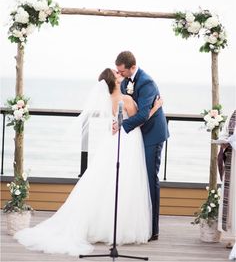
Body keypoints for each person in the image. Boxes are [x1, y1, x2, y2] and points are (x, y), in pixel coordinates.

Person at [14, 68, 162, 257]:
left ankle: (105, 225)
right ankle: (119, 227)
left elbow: (116, 123)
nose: (119, 74)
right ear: (115, 81)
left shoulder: (110, 100)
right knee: (126, 182)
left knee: (109, 183)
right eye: (116, 74)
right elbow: (139, 120)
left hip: (116, 141)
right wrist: (156, 107)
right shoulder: (124, 99)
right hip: (129, 142)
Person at [114, 51, 169, 241]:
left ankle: (153, 229)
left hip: (153, 134)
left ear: (132, 67)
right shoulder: (127, 81)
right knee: (139, 179)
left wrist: (121, 126)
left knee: (150, 179)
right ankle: (140, 223)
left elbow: (144, 114)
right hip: (139, 134)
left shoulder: (147, 82)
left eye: (123, 72)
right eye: (118, 72)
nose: (121, 75)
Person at [216, 109, 236, 260]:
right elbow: (224, 133)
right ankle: (234, 236)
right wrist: (223, 141)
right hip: (232, 160)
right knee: (232, 201)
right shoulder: (233, 113)